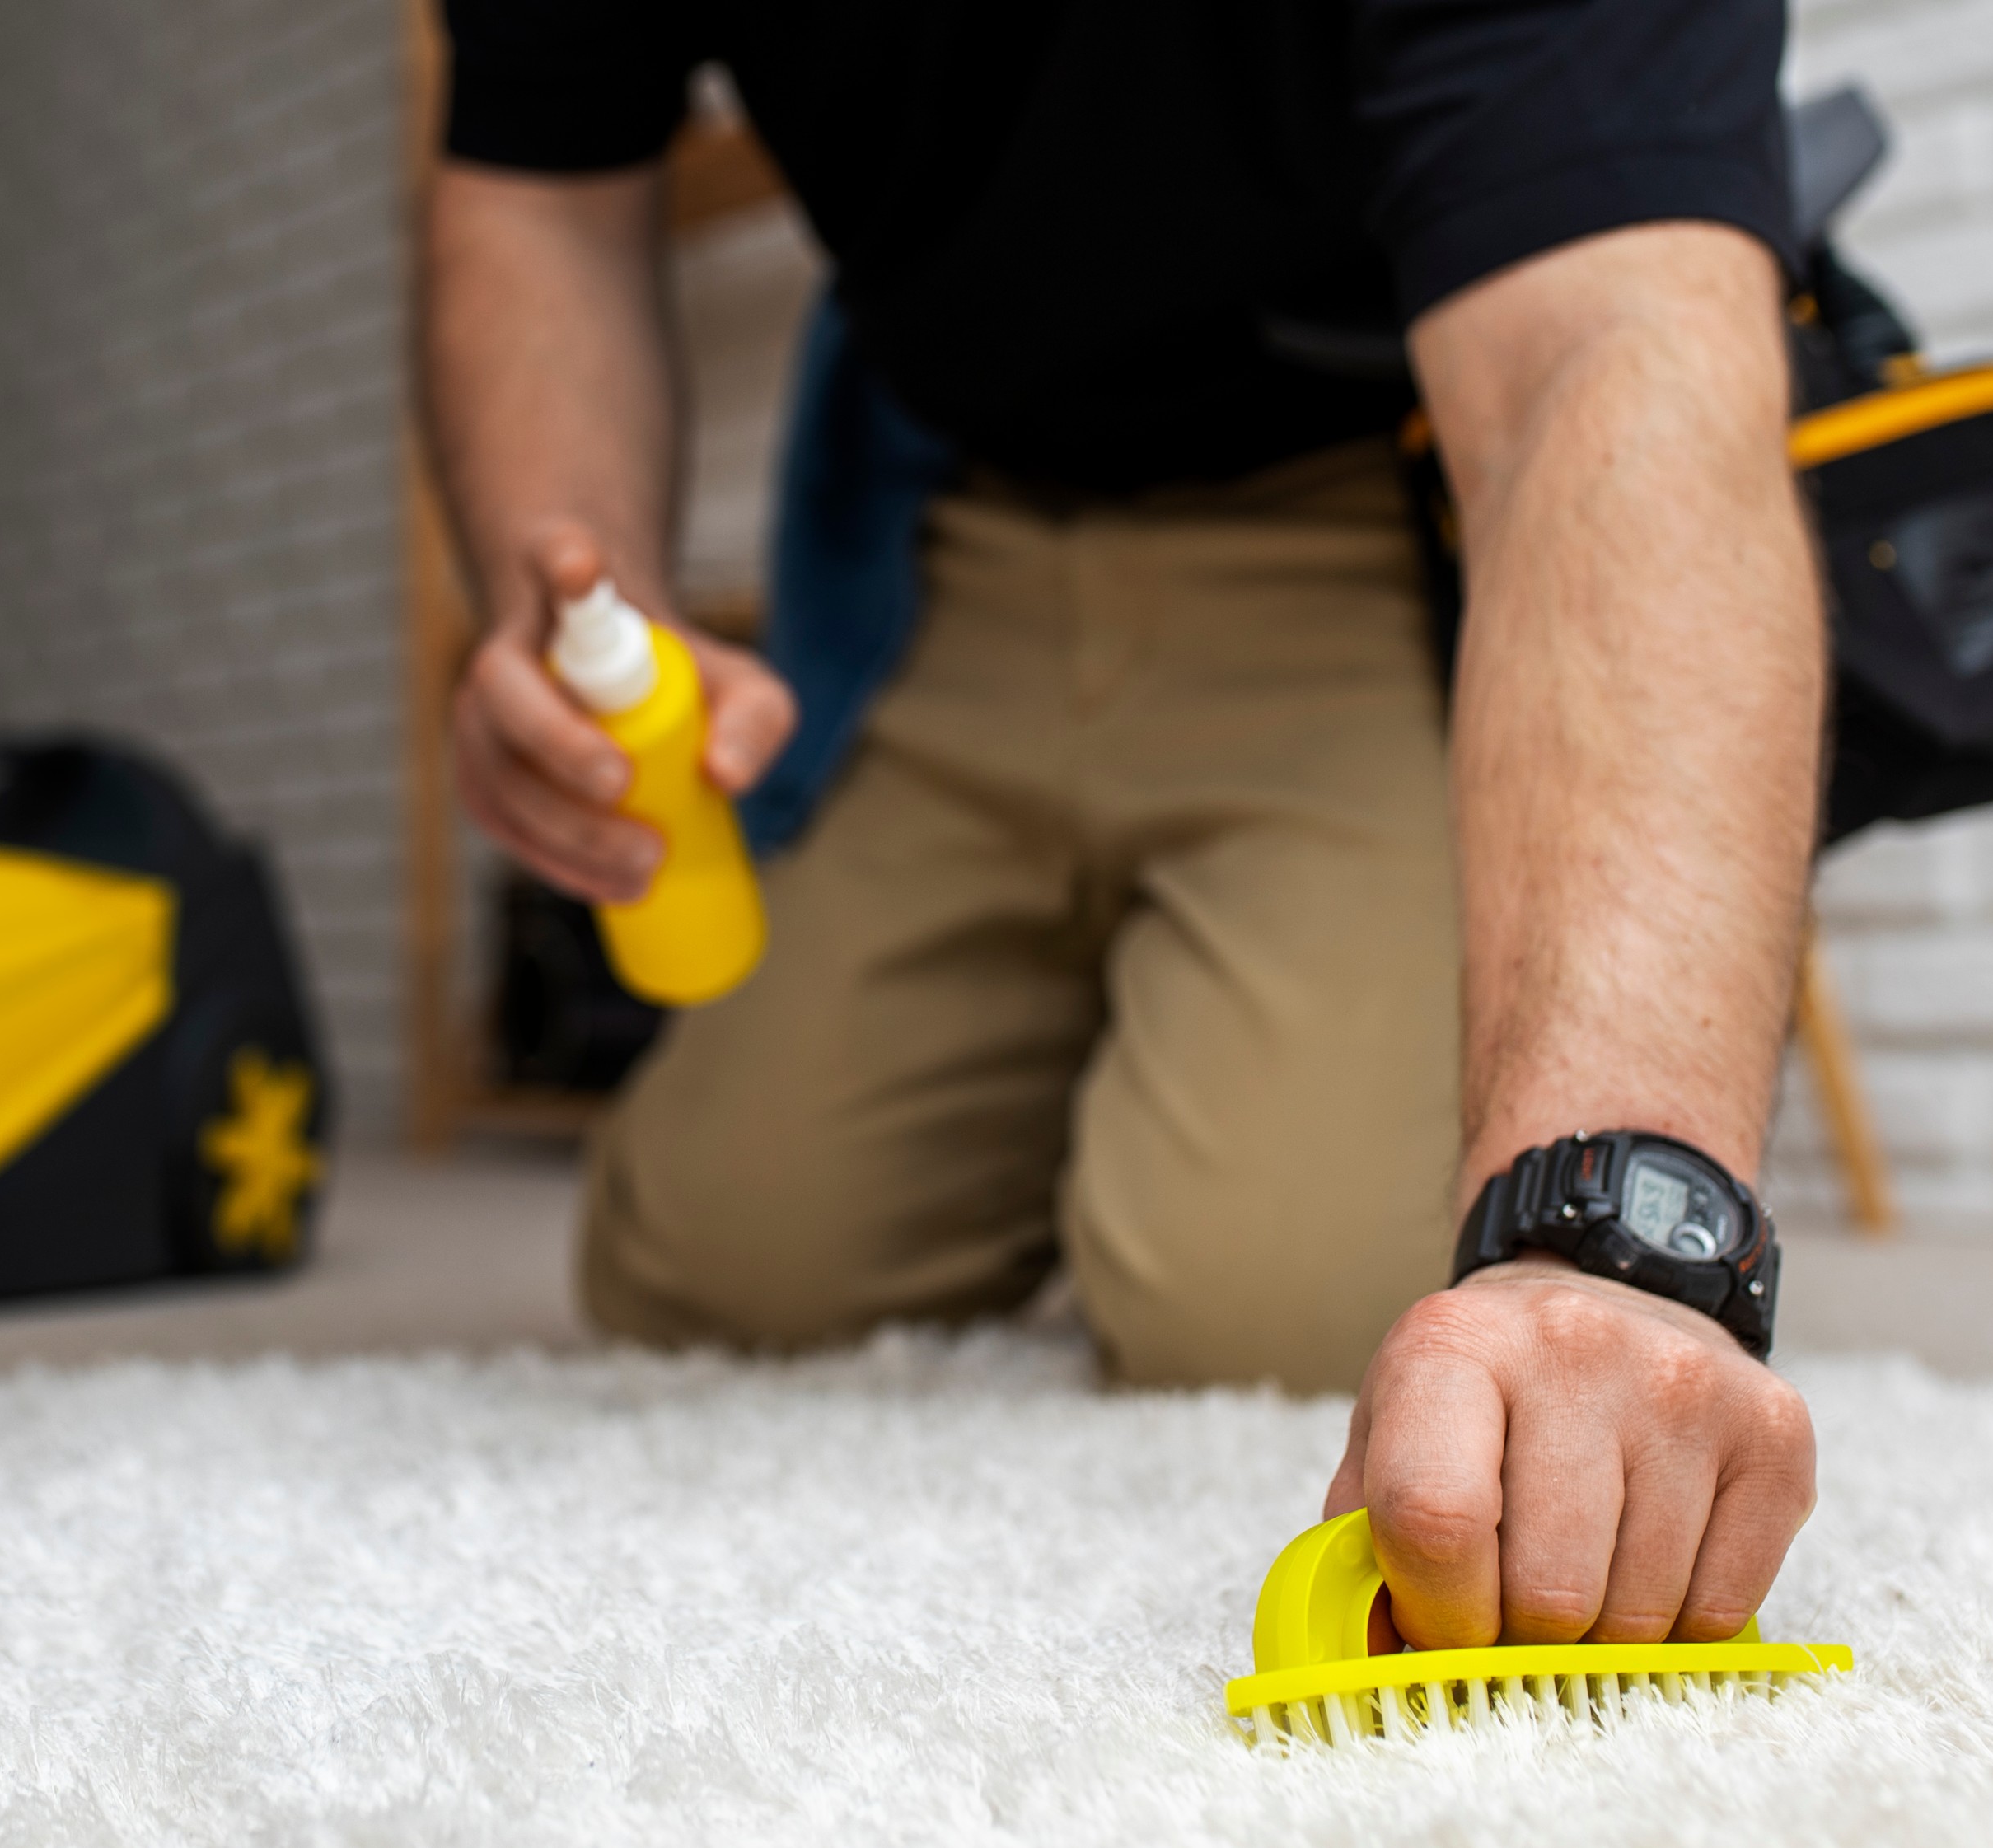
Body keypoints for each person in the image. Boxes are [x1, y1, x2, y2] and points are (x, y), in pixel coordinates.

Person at [423, 0, 1824, 1655]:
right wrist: (570, 591)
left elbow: (1602, 349)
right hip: (956, 528)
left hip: (1367, 512)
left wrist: (1608, 1231)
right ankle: (1136, 1016)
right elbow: (538, 189)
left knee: (1259, 1296)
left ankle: (1215, 1031)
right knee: (709, 1262)